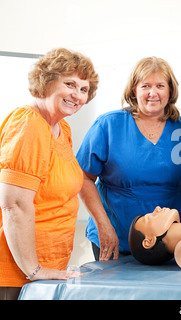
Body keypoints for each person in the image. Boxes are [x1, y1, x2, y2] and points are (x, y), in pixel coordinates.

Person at [0, 48, 99, 299]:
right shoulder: (29, 124)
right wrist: (34, 269)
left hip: (47, 267)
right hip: (16, 273)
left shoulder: (60, 127)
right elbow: (14, 205)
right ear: (47, 81)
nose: (77, 95)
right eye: (70, 84)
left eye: (84, 89)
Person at [76, 57, 181, 261]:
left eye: (160, 85)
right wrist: (103, 225)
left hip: (168, 242)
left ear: (170, 90)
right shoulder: (108, 125)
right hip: (114, 237)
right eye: (146, 86)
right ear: (134, 90)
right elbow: (84, 178)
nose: (153, 93)